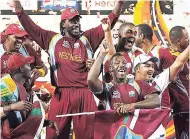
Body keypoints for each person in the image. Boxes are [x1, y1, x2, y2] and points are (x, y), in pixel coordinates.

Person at [13, 0, 126, 138]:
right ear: (63, 24)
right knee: (53, 134)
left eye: (78, 20)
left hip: (85, 93)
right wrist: (18, 7)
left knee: (88, 135)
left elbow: (110, 20)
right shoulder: (52, 39)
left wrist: (120, 3)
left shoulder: (88, 38)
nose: (77, 23)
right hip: (62, 94)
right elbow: (30, 26)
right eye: (72, 21)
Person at [87, 44, 160, 114]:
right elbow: (91, 80)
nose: (121, 65)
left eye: (124, 63)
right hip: (115, 126)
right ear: (110, 69)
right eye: (117, 63)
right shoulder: (107, 88)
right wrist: (101, 55)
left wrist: (132, 105)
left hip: (134, 126)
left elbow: (156, 101)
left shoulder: (139, 84)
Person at [0, 53, 59, 139]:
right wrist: (12, 106)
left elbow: (23, 121)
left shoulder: (25, 88)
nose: (31, 68)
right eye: (28, 65)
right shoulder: (5, 85)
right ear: (21, 69)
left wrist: (46, 122)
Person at [168, 26, 189, 138]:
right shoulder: (169, 57)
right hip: (183, 108)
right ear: (178, 41)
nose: (188, 40)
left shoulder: (186, 56)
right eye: (186, 38)